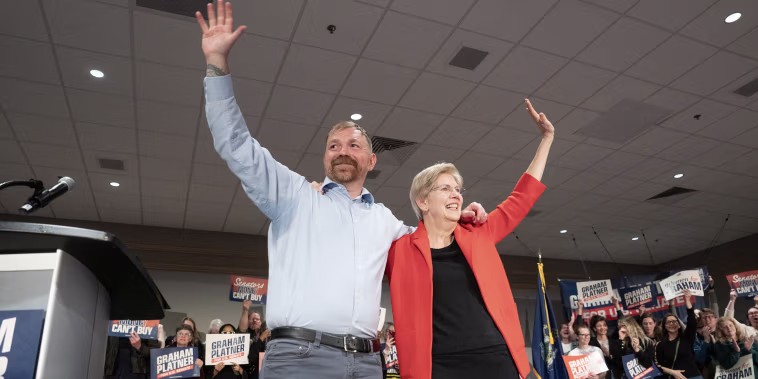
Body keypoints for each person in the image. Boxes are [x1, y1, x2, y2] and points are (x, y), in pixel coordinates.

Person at [193, 2, 486, 378]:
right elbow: (235, 144)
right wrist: (217, 62)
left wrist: (456, 213)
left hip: (366, 362)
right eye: (334, 145)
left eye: (353, 145)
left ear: (371, 161)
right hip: (299, 358)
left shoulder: (386, 223)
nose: (343, 150)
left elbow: (428, 246)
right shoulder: (295, 197)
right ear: (324, 157)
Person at [385, 99, 554, 379]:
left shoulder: (479, 233)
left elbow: (522, 198)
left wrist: (547, 139)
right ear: (423, 201)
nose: (456, 194)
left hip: (496, 357)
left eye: (458, 189)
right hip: (437, 366)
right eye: (446, 188)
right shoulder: (398, 250)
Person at [656, 289, 700, 379]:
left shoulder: (687, 337)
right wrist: (672, 372)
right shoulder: (661, 345)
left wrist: (687, 301)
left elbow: (692, 322)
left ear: (679, 325)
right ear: (664, 326)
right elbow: (659, 366)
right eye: (668, 322)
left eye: (674, 321)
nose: (671, 324)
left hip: (693, 376)